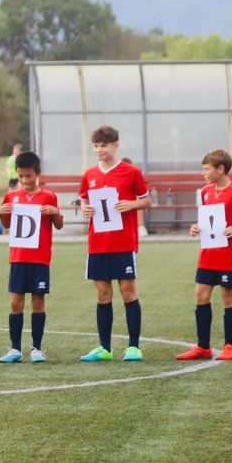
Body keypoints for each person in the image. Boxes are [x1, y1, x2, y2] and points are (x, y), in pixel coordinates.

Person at [178, 149, 232, 361]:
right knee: (201, 295)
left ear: (220, 169)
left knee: (228, 296)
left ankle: (230, 346)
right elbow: (209, 219)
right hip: (209, 252)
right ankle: (203, 347)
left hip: (230, 254)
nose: (203, 173)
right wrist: (196, 228)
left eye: (206, 169)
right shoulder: (207, 191)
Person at [78, 126, 151, 362]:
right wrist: (85, 209)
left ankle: (133, 347)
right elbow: (84, 204)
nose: (99, 150)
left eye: (104, 146)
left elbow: (146, 200)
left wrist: (130, 205)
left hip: (123, 243)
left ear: (116, 145)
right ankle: (105, 348)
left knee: (128, 292)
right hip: (98, 244)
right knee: (102, 294)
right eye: (96, 146)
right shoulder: (89, 175)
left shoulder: (131, 172)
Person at [0, 151, 63, 363]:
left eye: (29, 176)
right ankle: (15, 349)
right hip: (18, 257)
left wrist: (55, 212)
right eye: (21, 177)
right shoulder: (12, 196)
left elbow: (59, 224)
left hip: (40, 258)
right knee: (16, 302)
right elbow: (7, 225)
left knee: (38, 300)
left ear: (38, 174)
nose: (25, 181)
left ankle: (36, 348)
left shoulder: (48, 196)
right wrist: (1, 213)